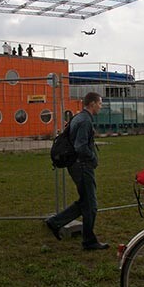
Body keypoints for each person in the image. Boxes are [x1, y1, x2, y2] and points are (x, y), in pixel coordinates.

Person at [45, 92, 109, 251]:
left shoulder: (79, 117)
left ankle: (57, 223)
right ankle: (88, 241)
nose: (100, 107)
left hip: (77, 165)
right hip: (82, 166)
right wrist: (93, 158)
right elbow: (80, 146)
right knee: (91, 204)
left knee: (86, 202)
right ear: (92, 103)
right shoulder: (85, 121)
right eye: (100, 103)